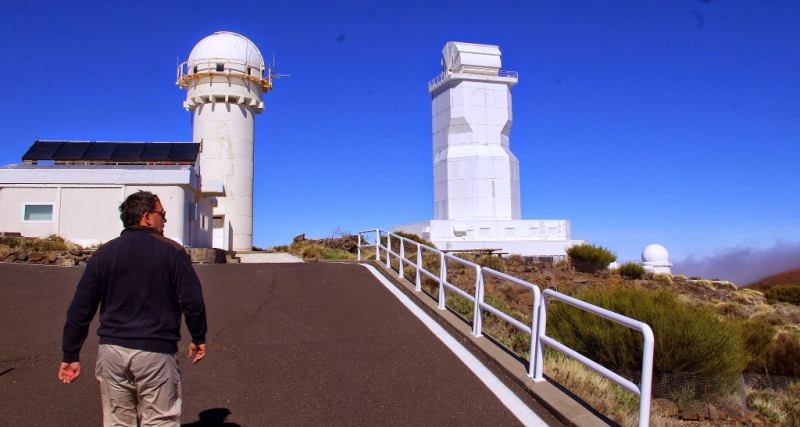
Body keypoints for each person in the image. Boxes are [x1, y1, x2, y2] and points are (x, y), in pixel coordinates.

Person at [59, 190, 208, 427]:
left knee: (118, 421)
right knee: (159, 421)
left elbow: (81, 306)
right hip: (154, 350)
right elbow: (192, 300)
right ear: (147, 217)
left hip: (112, 352)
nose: (165, 219)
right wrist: (198, 335)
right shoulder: (172, 252)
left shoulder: (104, 254)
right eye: (162, 214)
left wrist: (71, 353)